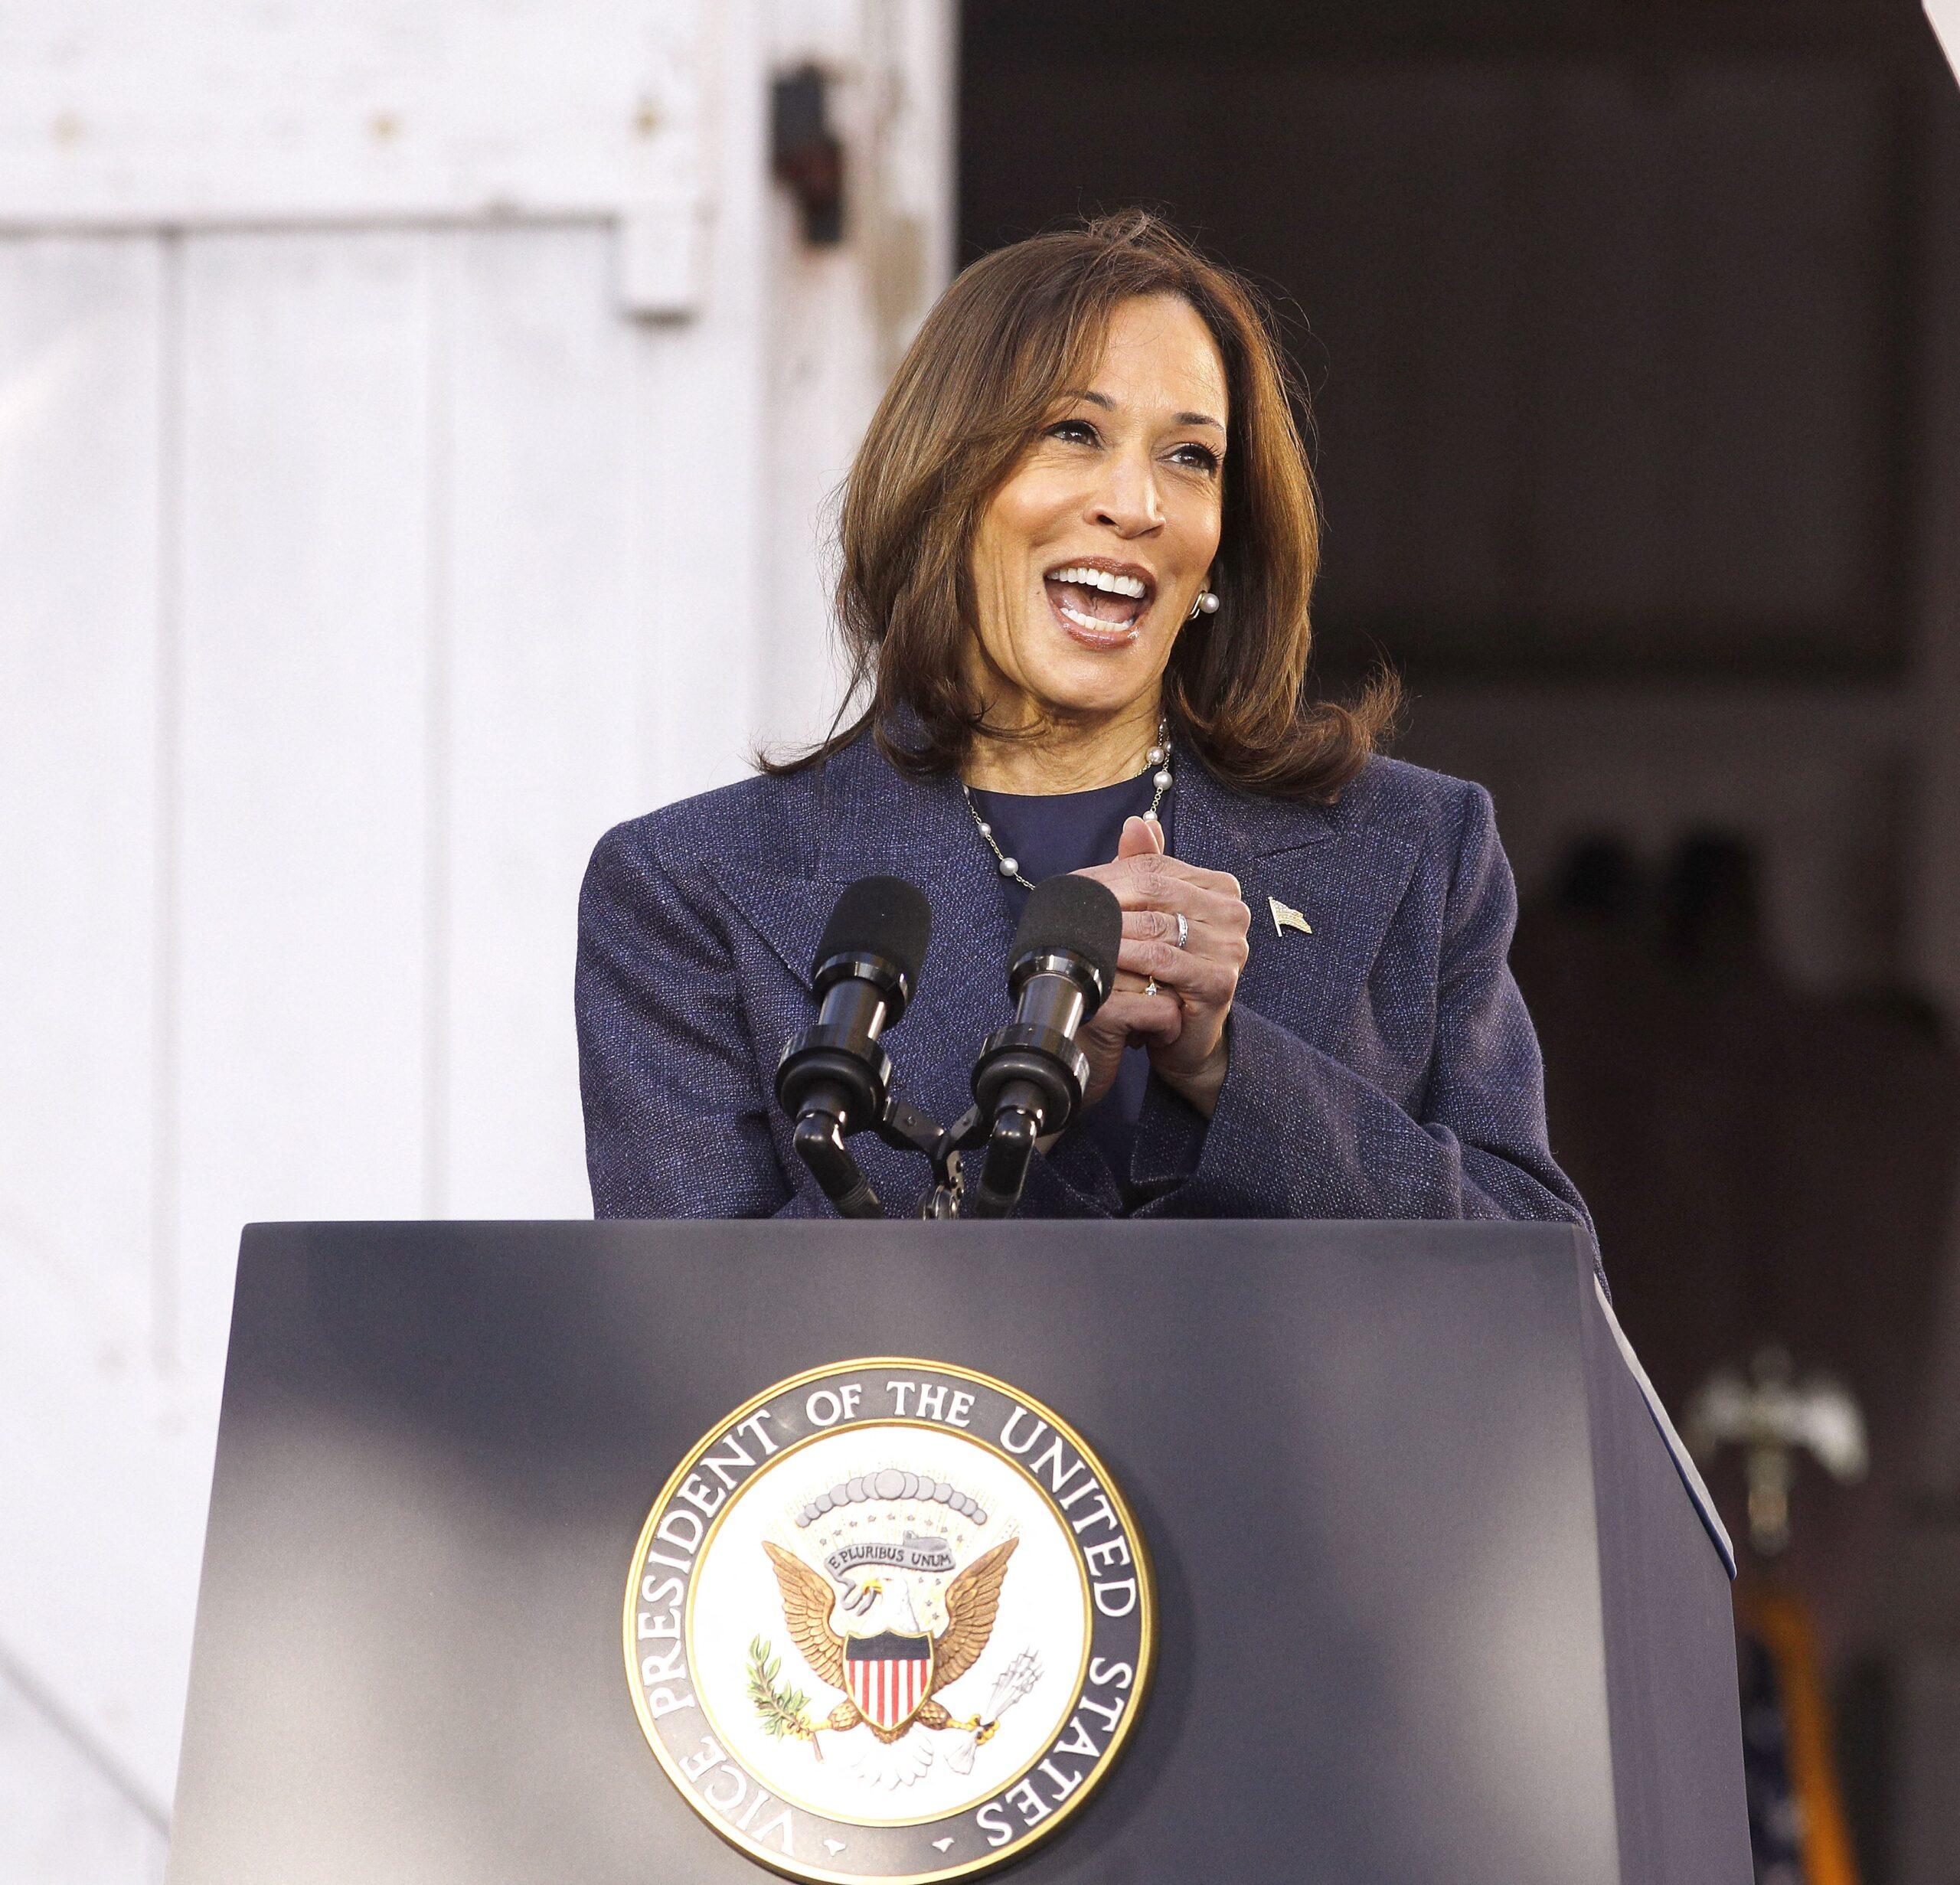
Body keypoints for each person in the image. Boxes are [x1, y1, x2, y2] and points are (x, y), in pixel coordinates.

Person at [577, 211, 1592, 1234]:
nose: (1136, 501)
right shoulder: (689, 889)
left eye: (1191, 457)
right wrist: (1036, 1083)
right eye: (1074, 432)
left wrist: (1230, 1068)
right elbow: (705, 1356)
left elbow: (1535, 1272)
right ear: (944, 482)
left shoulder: (1415, 848)